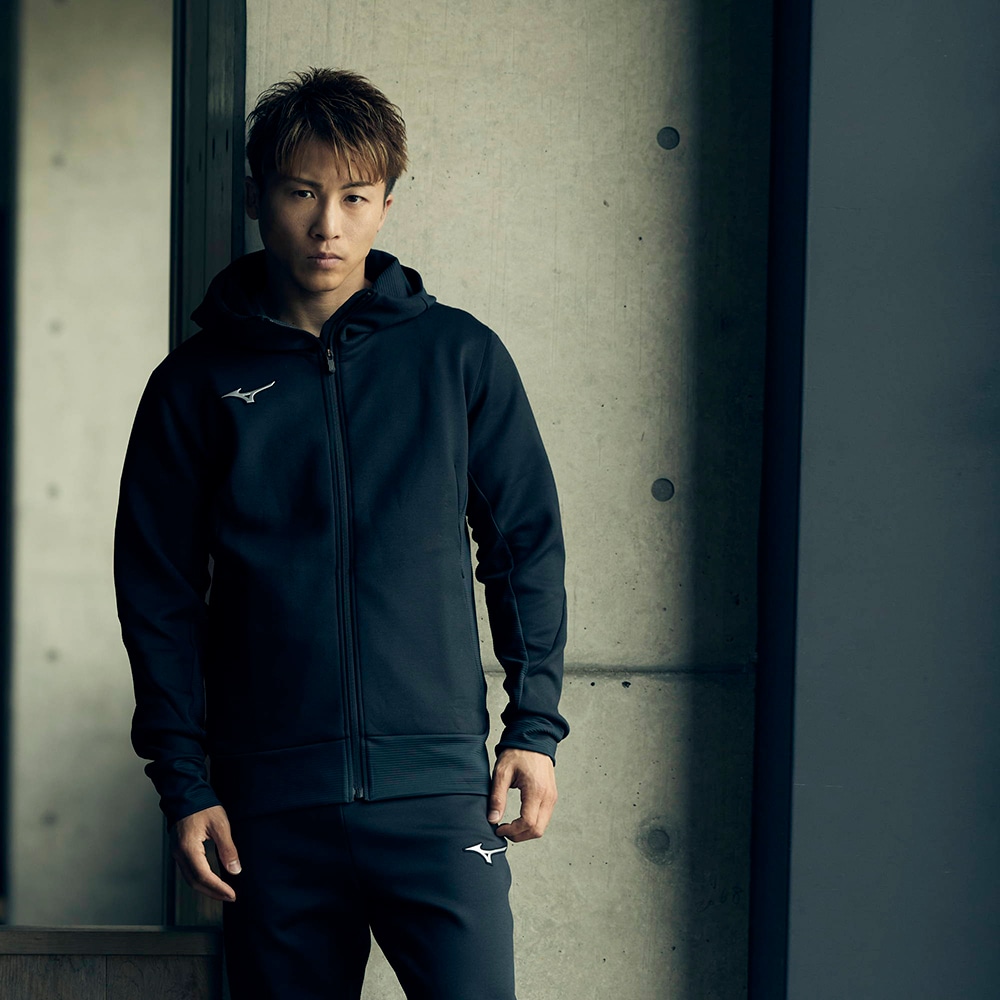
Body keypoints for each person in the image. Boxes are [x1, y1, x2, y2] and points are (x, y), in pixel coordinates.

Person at [114, 68, 568, 999]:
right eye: (302, 193)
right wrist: (187, 783)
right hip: (269, 806)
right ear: (257, 199)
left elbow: (523, 546)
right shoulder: (194, 385)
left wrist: (534, 727)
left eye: (355, 197)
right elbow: (158, 592)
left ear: (386, 206)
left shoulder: (457, 356)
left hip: (437, 796)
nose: (329, 225)